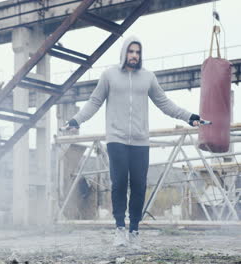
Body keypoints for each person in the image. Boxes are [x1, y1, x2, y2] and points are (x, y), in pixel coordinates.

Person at [63, 36, 201, 249]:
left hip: (140, 141)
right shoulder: (109, 75)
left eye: (137, 52)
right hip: (116, 139)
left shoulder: (148, 78)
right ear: (124, 53)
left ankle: (134, 230)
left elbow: (165, 103)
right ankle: (119, 229)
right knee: (118, 183)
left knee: (138, 186)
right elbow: (94, 102)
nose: (134, 56)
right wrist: (76, 120)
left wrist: (189, 116)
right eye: (131, 51)